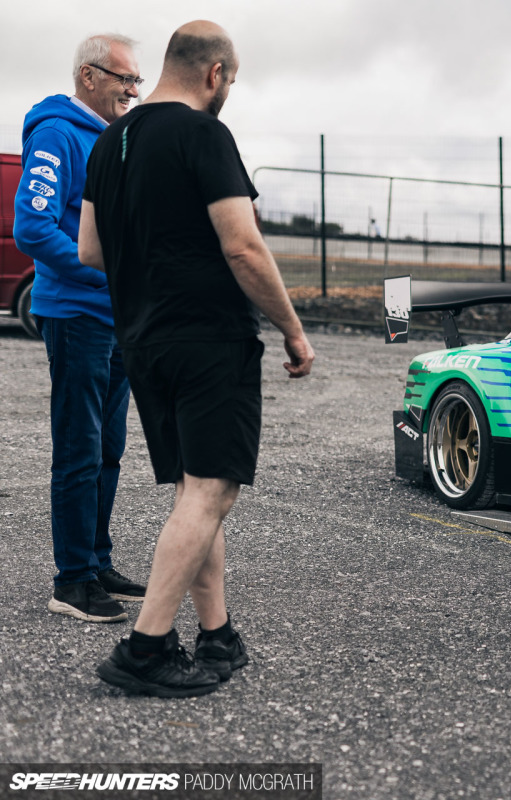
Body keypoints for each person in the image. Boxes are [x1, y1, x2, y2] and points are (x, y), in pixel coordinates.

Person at [78, 20, 315, 697]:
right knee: (212, 491)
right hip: (208, 339)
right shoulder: (205, 134)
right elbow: (243, 246)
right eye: (231, 81)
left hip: (143, 340)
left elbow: (90, 250)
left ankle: (218, 636)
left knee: (194, 490)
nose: (228, 91)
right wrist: (294, 331)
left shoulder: (109, 139)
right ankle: (145, 649)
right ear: (214, 74)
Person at [13, 34, 147, 624]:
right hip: (77, 315)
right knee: (79, 449)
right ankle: (72, 582)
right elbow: (33, 228)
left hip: (118, 320)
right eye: (124, 78)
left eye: (137, 80)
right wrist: (105, 276)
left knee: (109, 448)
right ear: (89, 76)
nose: (134, 90)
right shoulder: (56, 134)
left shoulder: (116, 138)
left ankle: (96, 561)